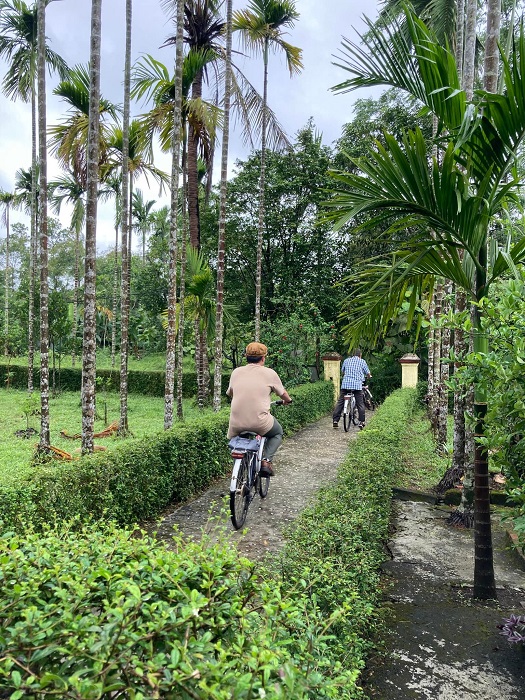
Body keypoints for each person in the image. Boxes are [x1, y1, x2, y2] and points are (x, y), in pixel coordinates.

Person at [226, 342, 292, 477]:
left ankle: (238, 473)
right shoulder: (269, 373)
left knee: (239, 439)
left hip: (236, 422)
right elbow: (282, 393)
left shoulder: (236, 372)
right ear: (263, 358)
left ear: (246, 357)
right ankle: (266, 461)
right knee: (277, 432)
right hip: (260, 422)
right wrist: (287, 400)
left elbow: (231, 393)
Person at [332, 349, 371, 430]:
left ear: (353, 355)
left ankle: (335, 421)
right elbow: (368, 373)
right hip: (357, 386)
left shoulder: (346, 360)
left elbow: (342, 371)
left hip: (345, 385)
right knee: (360, 403)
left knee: (340, 402)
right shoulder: (362, 361)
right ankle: (362, 422)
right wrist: (368, 376)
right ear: (360, 355)